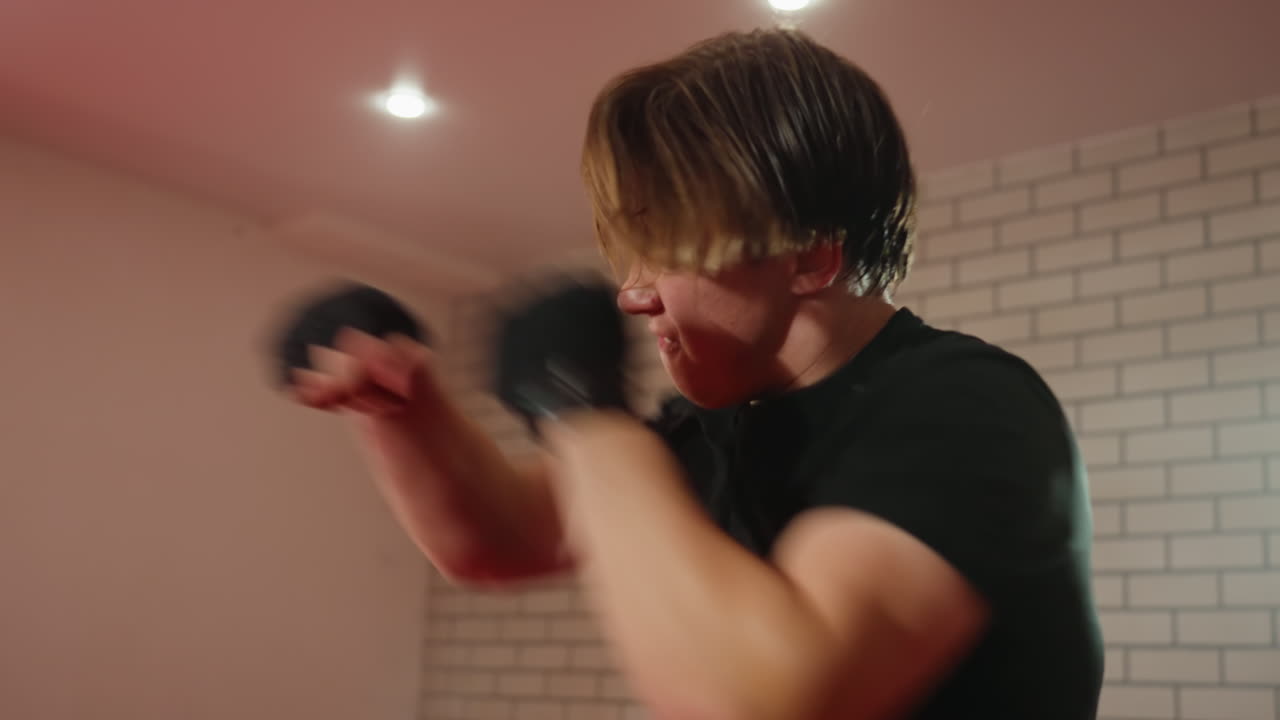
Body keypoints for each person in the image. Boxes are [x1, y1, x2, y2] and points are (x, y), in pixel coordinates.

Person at [290, 28, 1104, 720]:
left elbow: (763, 699)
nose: (633, 292)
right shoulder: (713, 425)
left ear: (811, 257)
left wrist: (584, 414)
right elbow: (497, 542)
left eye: (671, 251)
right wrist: (401, 407)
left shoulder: (963, 405)